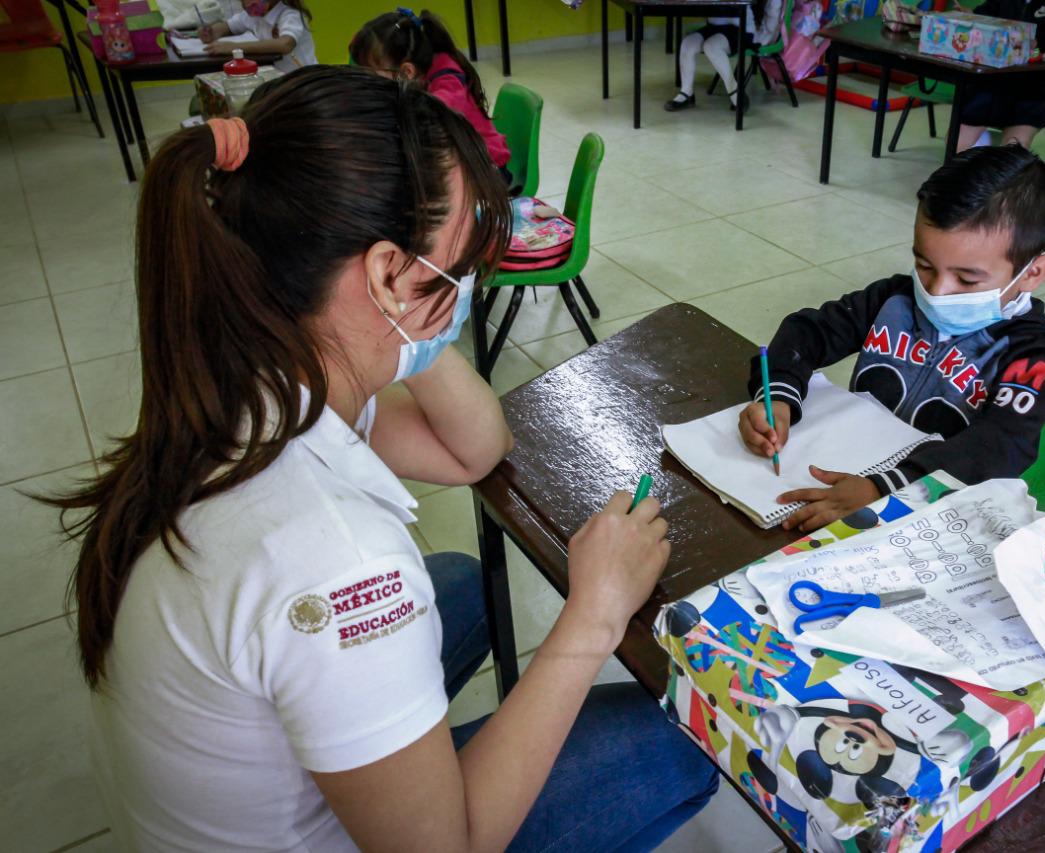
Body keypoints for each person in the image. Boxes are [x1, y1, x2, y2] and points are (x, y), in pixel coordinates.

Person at [49, 66, 716, 851]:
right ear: (383, 270)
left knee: (462, 584)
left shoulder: (249, 367)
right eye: (461, 262)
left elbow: (478, 447)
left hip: (235, 778)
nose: (468, 283)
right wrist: (593, 614)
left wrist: (400, 314)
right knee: (676, 738)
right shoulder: (338, 557)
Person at [738, 145, 1045, 532]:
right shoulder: (895, 298)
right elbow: (809, 332)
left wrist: (887, 488)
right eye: (925, 266)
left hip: (940, 511)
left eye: (967, 279)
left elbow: (997, 447)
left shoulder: (1035, 355)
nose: (937, 291)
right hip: (854, 467)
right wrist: (779, 395)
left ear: (1032, 272)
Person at [350, 7, 512, 184]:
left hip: (487, 169)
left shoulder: (447, 79)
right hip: (457, 159)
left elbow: (434, 113)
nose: (367, 82)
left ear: (406, 72)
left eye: (371, 76)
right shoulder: (414, 71)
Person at [955, 0, 1045, 151]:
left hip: (1038, 85)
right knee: (957, 142)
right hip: (995, 81)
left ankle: (999, 161)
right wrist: (968, 14)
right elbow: (983, 16)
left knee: (1015, 145)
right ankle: (983, 153)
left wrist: (1036, 46)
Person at [664, 0, 783, 114]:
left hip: (740, 28)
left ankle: (735, 92)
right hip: (714, 27)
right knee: (687, 44)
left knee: (711, 46)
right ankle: (687, 93)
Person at [199, 0, 317, 73]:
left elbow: (285, 44)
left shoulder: (290, 14)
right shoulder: (254, 14)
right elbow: (228, 27)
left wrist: (234, 48)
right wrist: (211, 32)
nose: (246, 4)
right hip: (276, 77)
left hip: (303, 79)